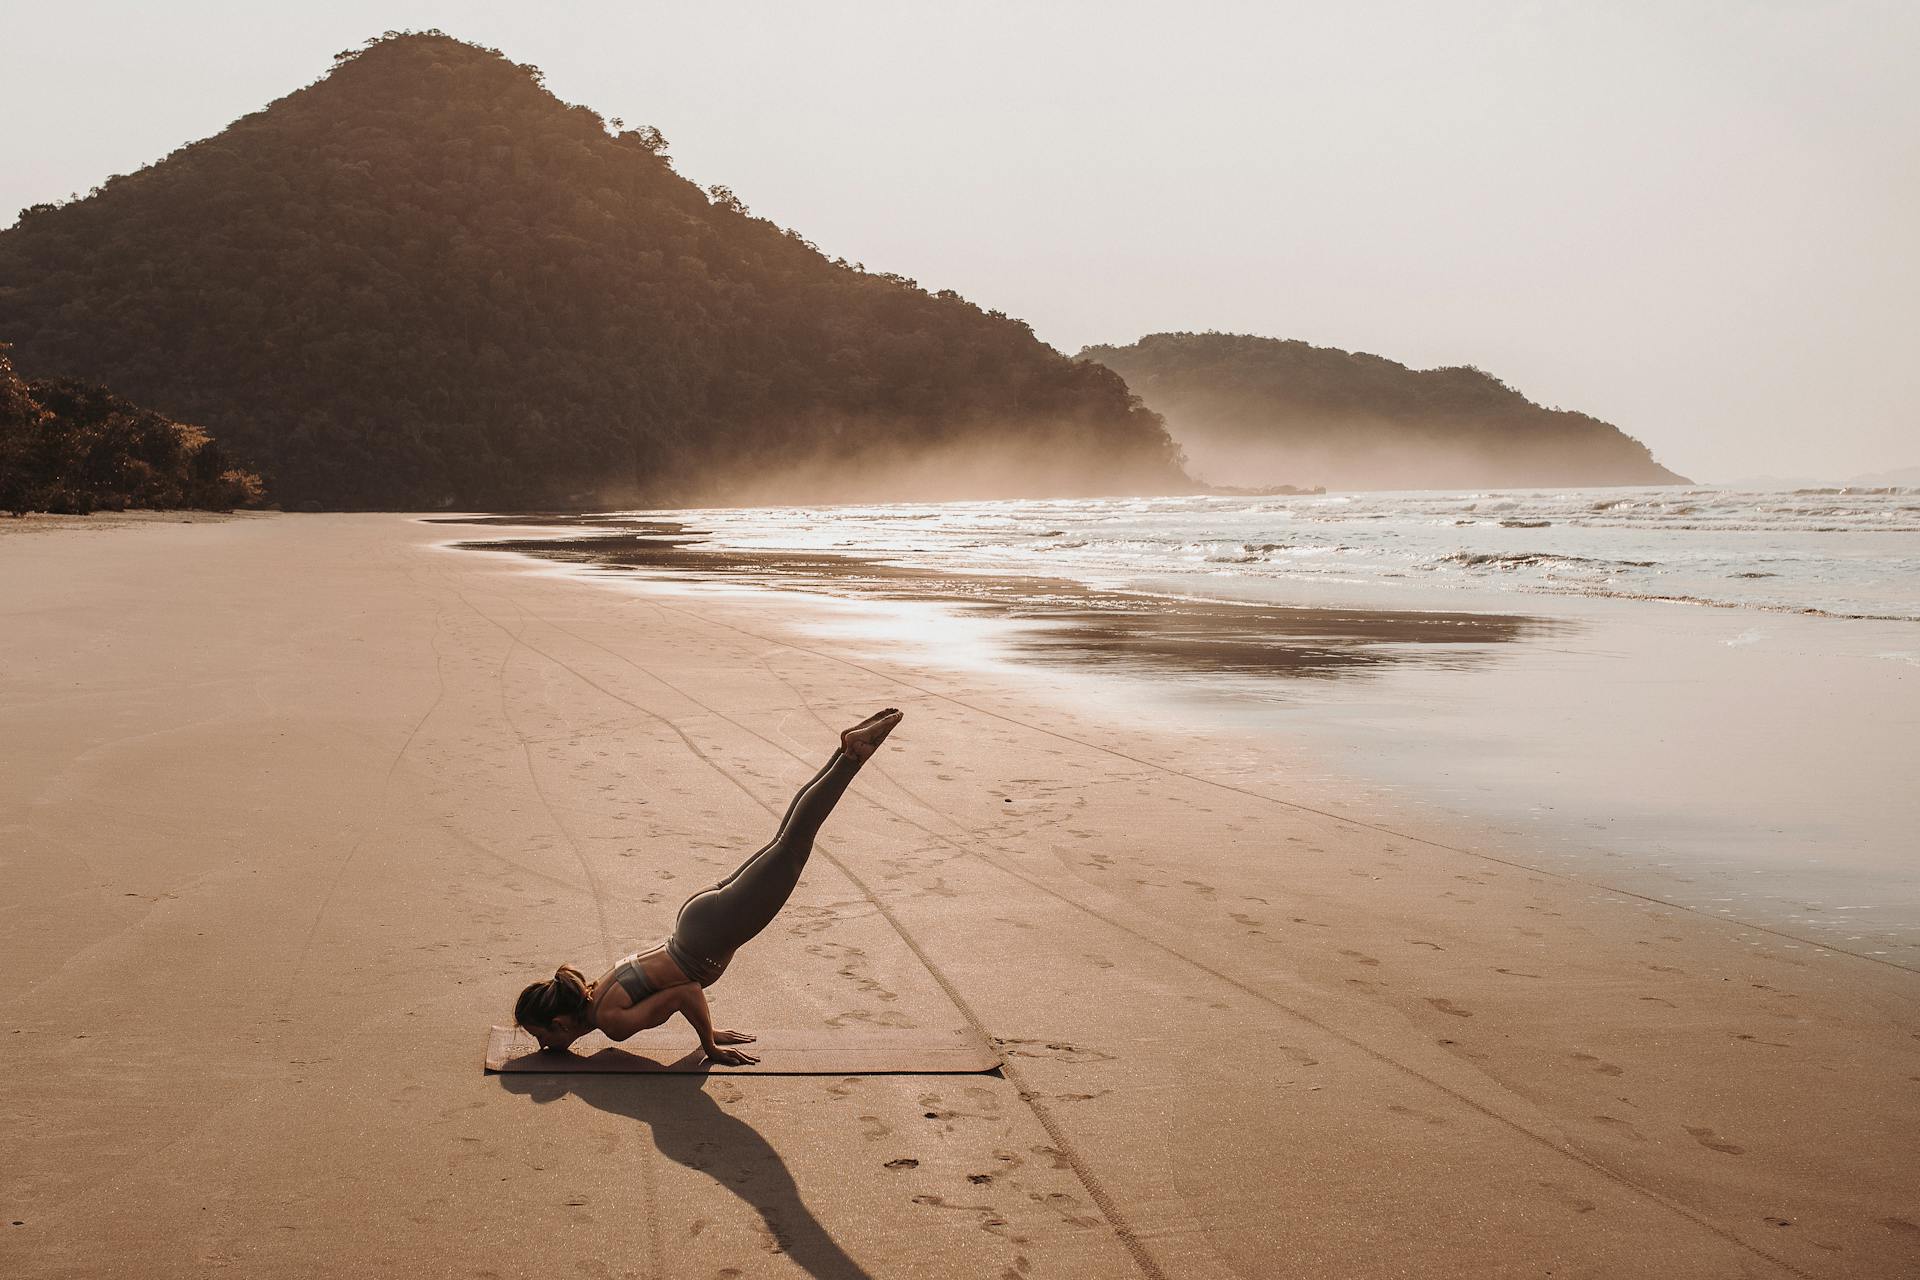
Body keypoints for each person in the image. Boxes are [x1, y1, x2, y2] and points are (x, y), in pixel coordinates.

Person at [513, 708, 905, 1066]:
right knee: (786, 842)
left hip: (710, 935)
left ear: (560, 1022)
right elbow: (678, 990)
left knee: (792, 845)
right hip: (695, 923)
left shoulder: (611, 1021)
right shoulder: (595, 993)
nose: (542, 1046)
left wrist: (709, 1047)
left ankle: (852, 756)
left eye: (540, 1036)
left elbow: (686, 992)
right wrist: (710, 1030)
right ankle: (844, 754)